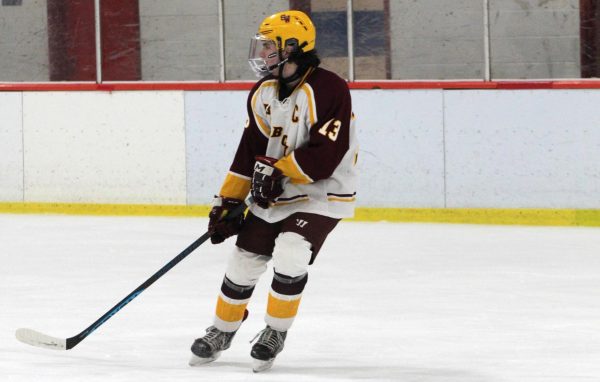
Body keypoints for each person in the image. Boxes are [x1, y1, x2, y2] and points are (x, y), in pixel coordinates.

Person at [189, 9, 358, 373]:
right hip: (276, 192)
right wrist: (227, 201)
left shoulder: (328, 88)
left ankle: (274, 333)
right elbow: (249, 150)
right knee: (244, 258)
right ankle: (222, 330)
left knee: (291, 252)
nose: (262, 53)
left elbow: (327, 153)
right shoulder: (263, 92)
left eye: (269, 46)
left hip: (321, 193)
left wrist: (277, 173)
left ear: (294, 47)